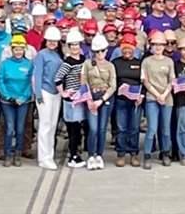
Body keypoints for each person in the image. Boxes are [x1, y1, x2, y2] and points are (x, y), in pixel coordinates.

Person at [0, 35, 34, 167]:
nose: (18, 52)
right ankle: (8, 154)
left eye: (21, 49)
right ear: (12, 50)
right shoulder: (5, 64)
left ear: (24, 50)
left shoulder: (29, 64)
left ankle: (18, 154)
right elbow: (0, 80)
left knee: (20, 129)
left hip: (23, 101)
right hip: (8, 102)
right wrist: (7, 96)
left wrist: (23, 97)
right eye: (16, 49)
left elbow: (31, 83)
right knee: (9, 128)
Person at [140, 31, 176, 168]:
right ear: (151, 46)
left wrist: (164, 94)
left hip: (167, 98)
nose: (158, 47)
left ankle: (165, 153)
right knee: (152, 128)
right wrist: (157, 95)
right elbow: (146, 81)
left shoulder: (169, 61)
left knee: (165, 129)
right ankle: (147, 155)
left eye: (161, 45)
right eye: (155, 45)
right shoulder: (146, 62)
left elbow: (172, 80)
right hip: (152, 98)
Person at [56, 31, 90, 168]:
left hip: (82, 98)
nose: (75, 47)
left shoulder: (84, 59)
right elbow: (57, 78)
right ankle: (73, 156)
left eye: (77, 44)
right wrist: (63, 93)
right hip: (72, 101)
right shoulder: (67, 62)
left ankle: (77, 153)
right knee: (73, 130)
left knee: (81, 128)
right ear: (69, 46)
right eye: (72, 45)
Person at [111, 33, 145, 166]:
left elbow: (144, 81)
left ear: (134, 49)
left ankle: (134, 153)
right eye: (124, 48)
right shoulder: (116, 63)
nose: (127, 51)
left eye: (129, 48)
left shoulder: (139, 63)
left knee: (134, 127)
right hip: (121, 99)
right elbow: (112, 80)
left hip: (136, 100)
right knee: (121, 127)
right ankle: (121, 153)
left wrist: (142, 95)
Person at [84, 35, 117, 169]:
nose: (100, 54)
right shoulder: (87, 64)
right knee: (93, 128)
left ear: (106, 50)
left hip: (105, 97)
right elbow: (84, 81)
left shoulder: (110, 66)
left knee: (102, 128)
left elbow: (113, 85)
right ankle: (91, 155)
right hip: (91, 96)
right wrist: (89, 99)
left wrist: (102, 100)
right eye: (97, 51)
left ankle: (99, 155)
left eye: (102, 51)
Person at [34, 25, 64, 169]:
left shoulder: (58, 55)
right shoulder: (41, 55)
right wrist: (38, 94)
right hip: (45, 92)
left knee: (52, 125)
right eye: (50, 40)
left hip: (56, 92)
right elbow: (37, 75)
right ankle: (43, 157)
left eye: (55, 40)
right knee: (45, 125)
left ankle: (49, 155)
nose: (52, 43)